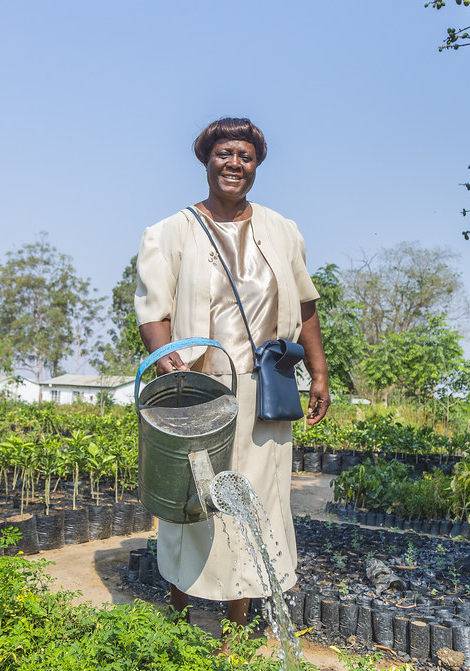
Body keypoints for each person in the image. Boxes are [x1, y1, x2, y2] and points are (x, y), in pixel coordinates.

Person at [134, 117, 330, 633]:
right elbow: (153, 311)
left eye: (245, 156)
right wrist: (164, 355)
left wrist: (319, 371)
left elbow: (305, 306)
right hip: (200, 391)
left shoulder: (282, 231)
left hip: (264, 391)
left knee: (253, 503)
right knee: (192, 499)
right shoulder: (170, 232)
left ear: (257, 165)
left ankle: (236, 628)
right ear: (207, 160)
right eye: (225, 154)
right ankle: (179, 616)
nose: (234, 164)